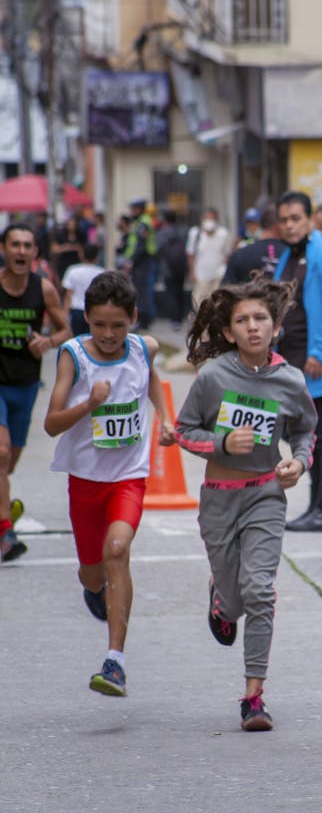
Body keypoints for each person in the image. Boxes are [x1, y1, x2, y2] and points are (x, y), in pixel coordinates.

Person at [174, 277, 317, 730]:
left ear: (275, 327)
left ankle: (253, 697)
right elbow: (183, 431)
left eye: (261, 318)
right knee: (235, 602)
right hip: (219, 499)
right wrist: (220, 443)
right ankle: (221, 599)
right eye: (243, 320)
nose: (253, 326)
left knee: (259, 591)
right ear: (230, 330)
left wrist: (299, 462)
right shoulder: (213, 376)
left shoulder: (290, 381)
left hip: (265, 496)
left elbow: (306, 431)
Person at [44, 271, 174, 697]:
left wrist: (166, 418)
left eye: (118, 324)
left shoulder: (144, 347)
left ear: (133, 318)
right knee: (91, 573)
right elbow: (50, 424)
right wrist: (89, 404)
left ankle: (114, 661)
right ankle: (96, 589)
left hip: (127, 478)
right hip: (85, 482)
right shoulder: (73, 356)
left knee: (117, 549)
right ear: (87, 320)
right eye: (99, 324)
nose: (108, 334)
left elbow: (149, 375)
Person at [273, 191, 322, 532]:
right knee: (301, 431)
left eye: (295, 219)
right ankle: (317, 506)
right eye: (284, 219)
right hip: (291, 359)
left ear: (309, 219)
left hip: (315, 358)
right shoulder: (288, 254)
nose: (289, 225)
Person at [0, 223, 70, 562]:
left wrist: (48, 342)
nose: (21, 251)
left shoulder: (43, 290)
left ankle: (3, 511)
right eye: (15, 245)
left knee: (7, 465)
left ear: (35, 253)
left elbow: (66, 329)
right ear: (4, 249)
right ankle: (6, 534)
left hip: (25, 385)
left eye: (28, 246)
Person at [223, 205, 285, 284]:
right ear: (278, 225)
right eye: (248, 223)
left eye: (253, 223)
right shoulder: (291, 254)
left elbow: (224, 291)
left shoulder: (240, 255)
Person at [186, 207, 232, 309]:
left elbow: (227, 254)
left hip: (218, 275)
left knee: (217, 303)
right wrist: (192, 271)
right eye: (207, 218)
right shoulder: (195, 233)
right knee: (199, 303)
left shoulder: (223, 234)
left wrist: (224, 269)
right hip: (201, 275)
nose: (209, 222)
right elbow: (190, 254)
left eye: (212, 219)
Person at [123, 199, 157, 330]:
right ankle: (143, 319)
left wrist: (132, 262)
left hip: (143, 262)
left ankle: (144, 320)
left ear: (139, 209)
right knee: (141, 291)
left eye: (133, 209)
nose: (131, 212)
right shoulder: (139, 222)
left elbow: (141, 246)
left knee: (143, 292)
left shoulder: (143, 223)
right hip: (141, 262)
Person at [155, 210, 188, 329]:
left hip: (167, 268)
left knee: (171, 294)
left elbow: (157, 249)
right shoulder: (183, 230)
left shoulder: (162, 233)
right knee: (180, 292)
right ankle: (180, 317)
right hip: (181, 267)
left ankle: (174, 319)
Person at [62, 243, 103, 336]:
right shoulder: (101, 273)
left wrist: (64, 314)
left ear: (82, 254)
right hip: (94, 311)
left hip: (76, 310)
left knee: (76, 341)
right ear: (96, 257)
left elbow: (68, 295)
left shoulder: (73, 270)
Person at [52, 215, 85, 282]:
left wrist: (78, 248)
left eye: (73, 224)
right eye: (70, 224)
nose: (71, 226)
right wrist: (65, 248)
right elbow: (54, 249)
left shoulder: (80, 235)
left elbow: (84, 249)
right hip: (64, 262)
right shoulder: (61, 235)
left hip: (76, 261)